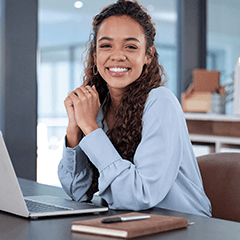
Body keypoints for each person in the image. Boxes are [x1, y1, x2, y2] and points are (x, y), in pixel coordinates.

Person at [58, 0, 211, 217]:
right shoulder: (98, 107)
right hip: (131, 223)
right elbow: (77, 192)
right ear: (95, 55)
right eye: (106, 45)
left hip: (183, 226)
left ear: (148, 55)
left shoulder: (161, 102)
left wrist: (91, 128)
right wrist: (75, 128)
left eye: (130, 46)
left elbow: (139, 196)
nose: (118, 56)